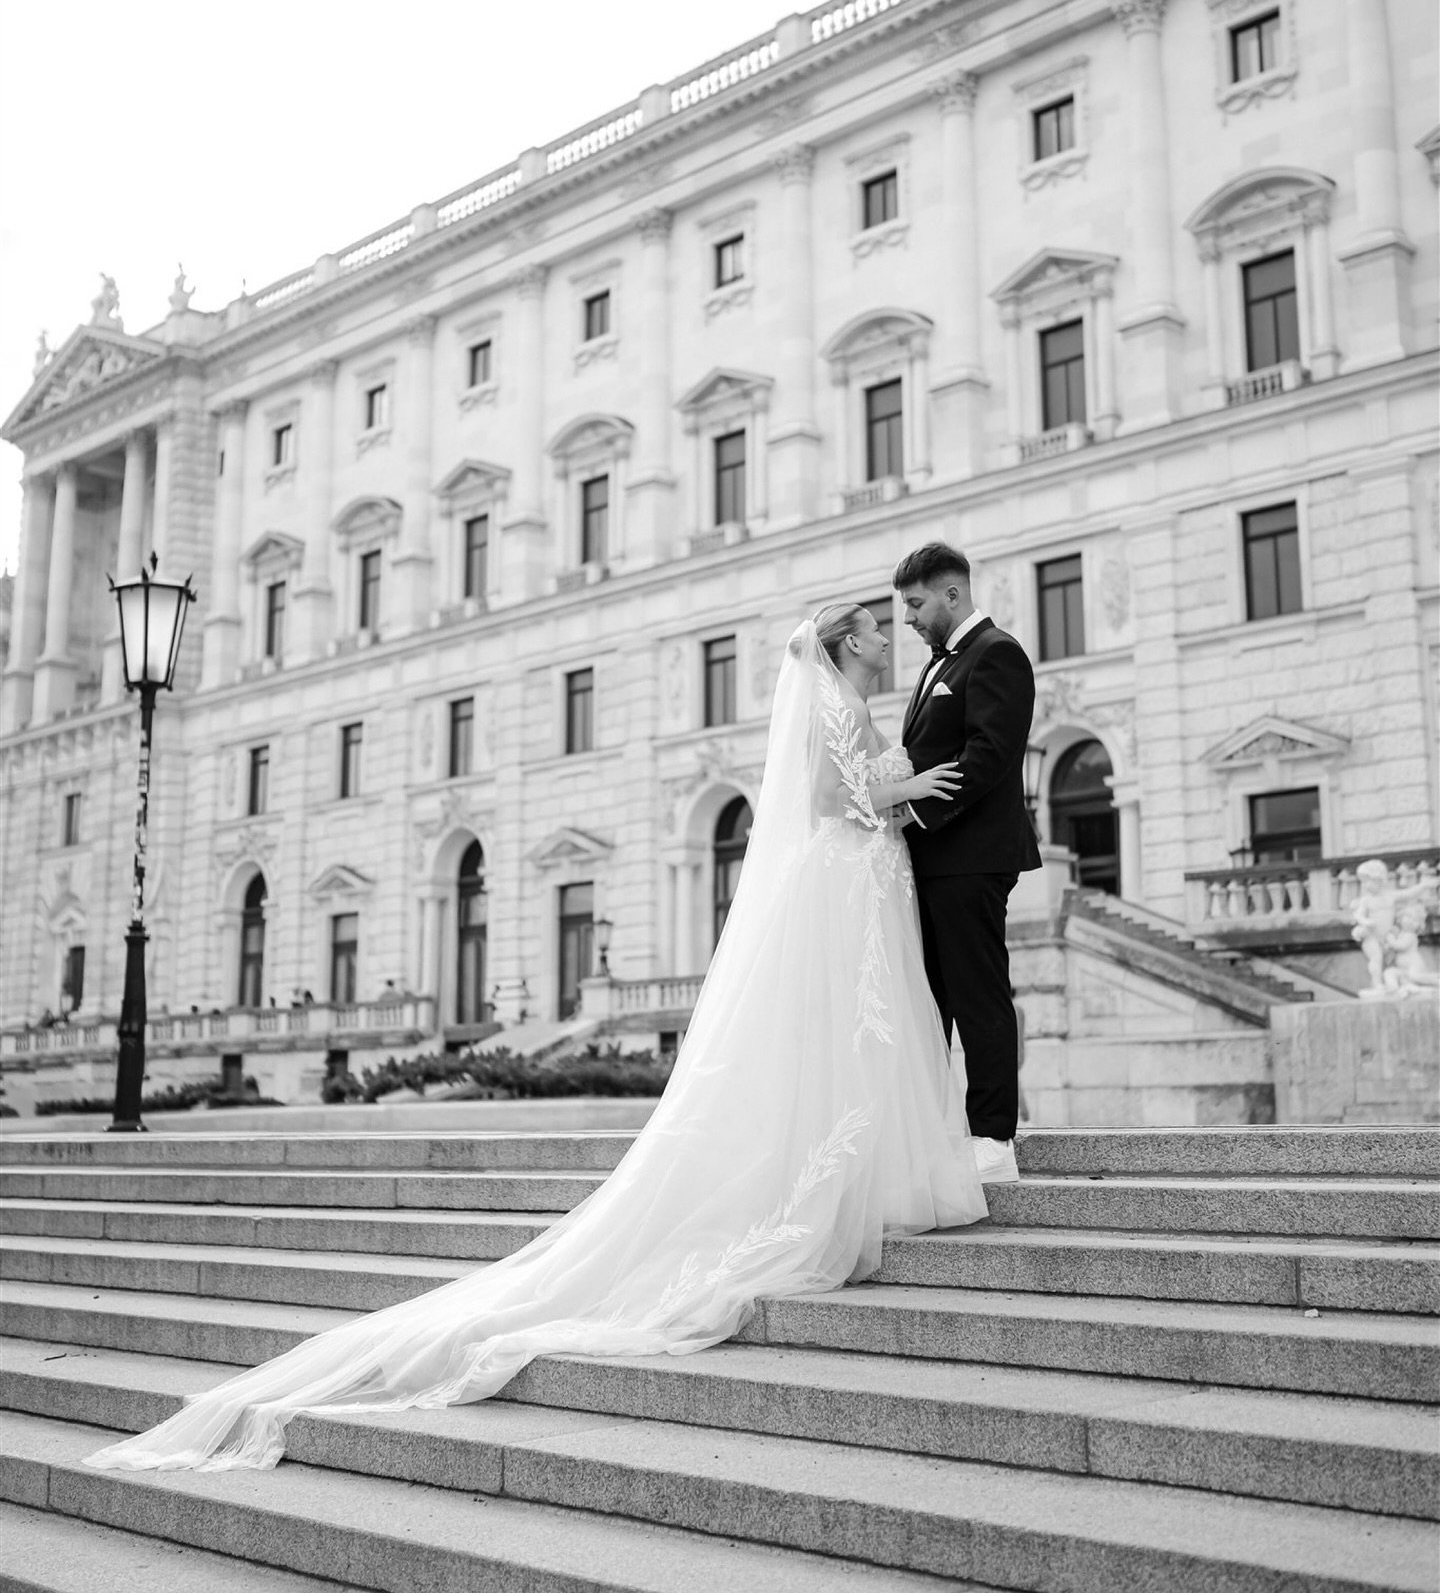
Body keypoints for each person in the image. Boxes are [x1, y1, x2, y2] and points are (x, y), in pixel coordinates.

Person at [85, 606, 987, 1475]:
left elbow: (844, 796)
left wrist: (897, 800)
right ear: (847, 643)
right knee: (845, 1028)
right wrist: (904, 790)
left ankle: (858, 1175)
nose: (892, 632)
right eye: (878, 625)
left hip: (858, 888)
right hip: (845, 880)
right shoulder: (836, 702)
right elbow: (832, 798)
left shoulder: (856, 701)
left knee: (855, 1031)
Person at [894, 541, 1041, 1185]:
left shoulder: (998, 653)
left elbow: (989, 758)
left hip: (971, 857)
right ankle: (932, 1132)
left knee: (978, 996)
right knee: (931, 1002)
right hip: (928, 860)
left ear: (951, 594)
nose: (909, 618)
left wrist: (916, 814)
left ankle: (993, 1140)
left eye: (916, 603)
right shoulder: (937, 663)